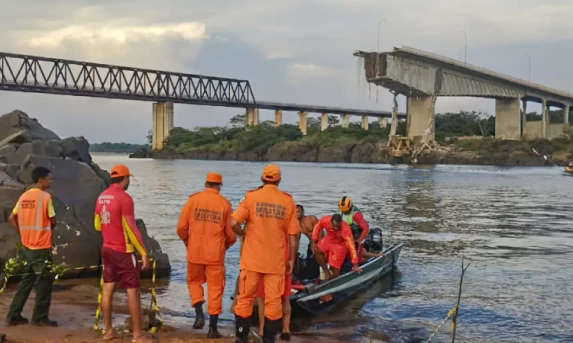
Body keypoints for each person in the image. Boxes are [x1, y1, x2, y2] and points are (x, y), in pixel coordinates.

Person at [231, 164, 299, 343]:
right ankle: (269, 340)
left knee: (244, 299)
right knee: (273, 303)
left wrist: (243, 234)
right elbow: (293, 235)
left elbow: (232, 223)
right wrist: (291, 259)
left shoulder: (251, 197)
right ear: (279, 180)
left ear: (262, 179)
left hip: (252, 259)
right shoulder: (288, 201)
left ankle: (241, 338)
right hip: (275, 262)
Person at [94, 164, 152, 343]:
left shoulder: (101, 197)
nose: (129, 182)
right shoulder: (125, 198)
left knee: (108, 288)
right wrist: (143, 252)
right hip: (123, 251)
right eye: (129, 179)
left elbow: (97, 225)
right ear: (125, 179)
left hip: (107, 249)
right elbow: (131, 228)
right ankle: (137, 335)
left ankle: (108, 331)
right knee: (133, 292)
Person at [176, 172, 236, 338]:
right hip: (215, 255)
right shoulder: (224, 204)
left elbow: (181, 228)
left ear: (206, 184)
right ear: (219, 186)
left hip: (195, 252)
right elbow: (231, 235)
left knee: (194, 282)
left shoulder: (193, 200)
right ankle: (212, 329)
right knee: (215, 289)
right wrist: (226, 246)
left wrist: (188, 242)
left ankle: (198, 313)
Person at [5, 166, 58, 327]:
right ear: (40, 179)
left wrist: (22, 232)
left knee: (26, 281)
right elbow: (53, 220)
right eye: (48, 178)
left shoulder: (24, 196)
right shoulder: (45, 197)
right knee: (44, 281)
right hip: (40, 246)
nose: (50, 180)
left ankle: (14, 314)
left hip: (27, 246)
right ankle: (40, 317)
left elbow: (11, 218)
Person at [311, 214, 362, 280]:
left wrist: (355, 264)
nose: (335, 228)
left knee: (334, 267)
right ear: (331, 222)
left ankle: (334, 278)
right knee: (317, 249)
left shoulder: (345, 229)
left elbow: (351, 245)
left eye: (337, 226)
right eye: (334, 226)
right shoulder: (325, 220)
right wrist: (314, 240)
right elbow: (317, 226)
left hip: (340, 243)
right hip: (329, 238)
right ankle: (326, 272)